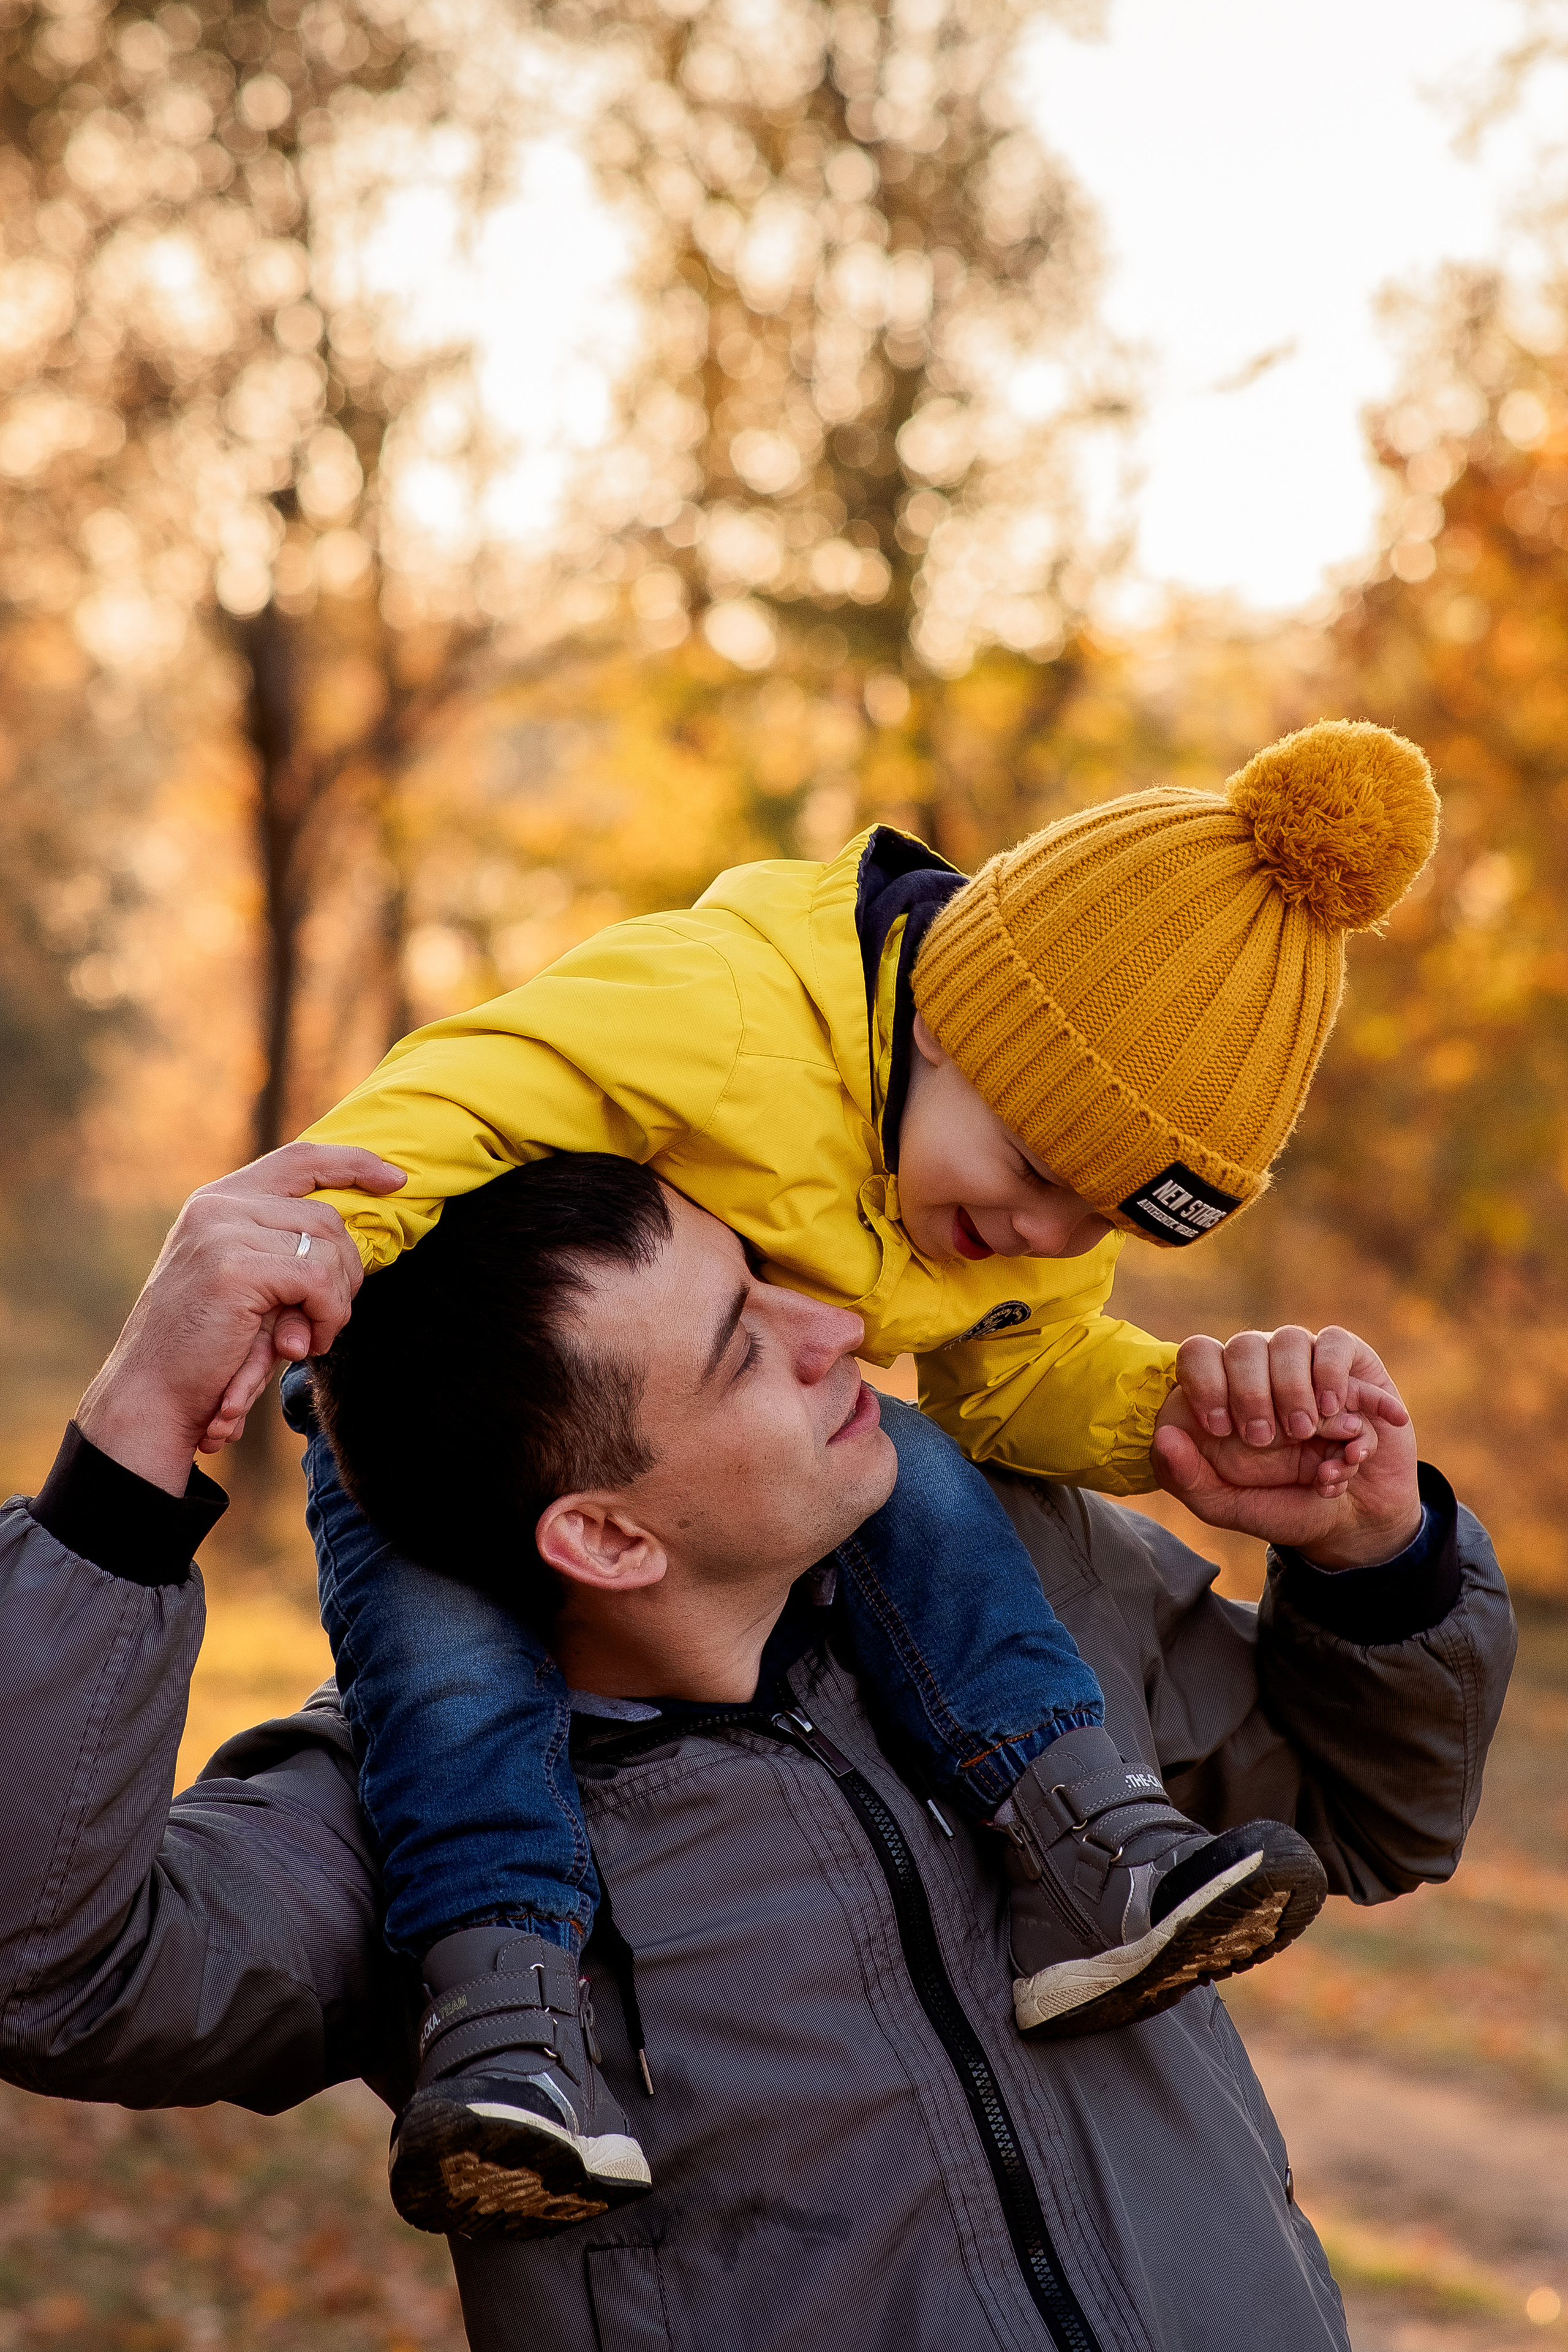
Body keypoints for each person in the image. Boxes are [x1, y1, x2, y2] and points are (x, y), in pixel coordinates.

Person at [204, 721, 1441, 2229]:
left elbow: (1022, 1380)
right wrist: (321, 1264)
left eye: (1105, 1214)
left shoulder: (1015, 1209)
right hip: (439, 1395)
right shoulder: (721, 1011)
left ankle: (1089, 1849)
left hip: (716, 1431)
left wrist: (1173, 1421)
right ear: (949, 1023)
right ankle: (504, 2018)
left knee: (919, 1471)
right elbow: (460, 1095)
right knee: (450, 1662)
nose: (1052, 1235)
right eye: (1040, 1171)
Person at [0, 1144, 1513, 2352]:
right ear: (600, 1533)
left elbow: (1366, 1820)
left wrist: (1370, 1556)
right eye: (743, 1348)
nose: (840, 1328)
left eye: (768, 1278)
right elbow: (45, 1969)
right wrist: (127, 1455)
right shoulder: (394, 1827)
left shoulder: (1025, 1593)